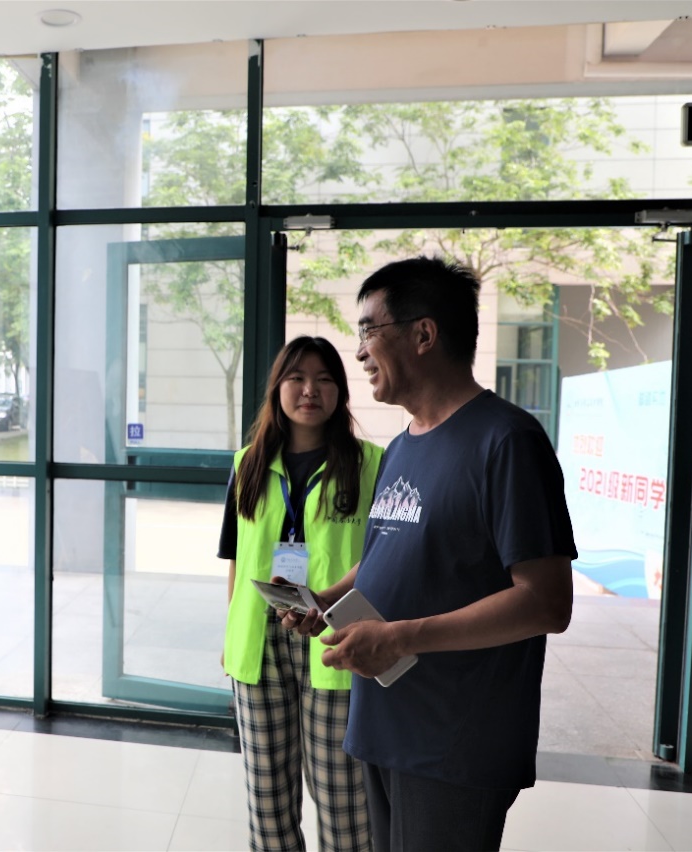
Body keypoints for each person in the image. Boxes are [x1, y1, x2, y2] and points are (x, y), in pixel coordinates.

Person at [284, 256, 576, 852]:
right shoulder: (402, 446)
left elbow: (546, 603)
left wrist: (399, 637)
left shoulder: (507, 441)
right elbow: (389, 550)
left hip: (454, 740)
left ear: (423, 334)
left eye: (369, 329)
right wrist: (326, 599)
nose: (359, 352)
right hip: (384, 722)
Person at [219, 335, 384, 852]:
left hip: (334, 640)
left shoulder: (372, 464)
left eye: (324, 379)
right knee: (267, 801)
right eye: (297, 378)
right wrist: (229, 638)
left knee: (343, 802)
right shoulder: (247, 462)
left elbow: (384, 555)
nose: (310, 390)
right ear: (277, 388)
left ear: (341, 392)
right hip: (259, 642)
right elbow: (236, 556)